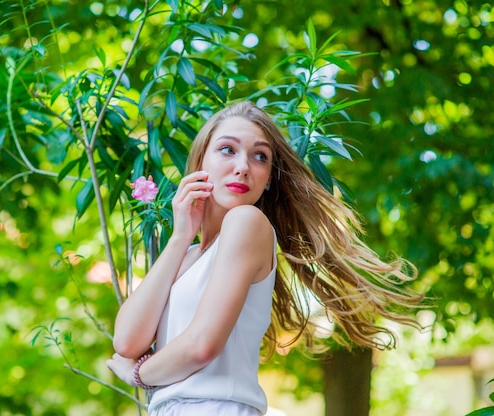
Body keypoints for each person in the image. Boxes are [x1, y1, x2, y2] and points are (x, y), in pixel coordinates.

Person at [106, 101, 422, 415]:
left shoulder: (247, 222)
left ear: (269, 177)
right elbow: (126, 341)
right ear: (201, 161)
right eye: (227, 149)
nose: (243, 166)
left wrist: (138, 373)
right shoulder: (188, 254)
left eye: (260, 157)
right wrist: (180, 236)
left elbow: (201, 345)